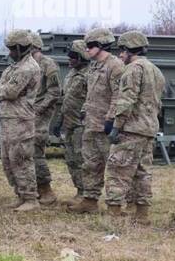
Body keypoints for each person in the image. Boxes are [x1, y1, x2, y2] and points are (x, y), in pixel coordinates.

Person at [105, 31, 165, 224]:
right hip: (148, 130)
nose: (120, 55)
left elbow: (126, 101)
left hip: (131, 129)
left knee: (117, 170)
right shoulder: (156, 71)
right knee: (143, 173)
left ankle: (113, 214)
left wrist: (116, 126)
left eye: (122, 51)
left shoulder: (132, 70)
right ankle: (141, 215)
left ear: (130, 50)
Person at [66, 28, 125, 214]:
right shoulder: (94, 66)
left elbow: (119, 96)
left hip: (106, 126)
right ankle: (89, 200)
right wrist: (84, 111)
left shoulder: (115, 66)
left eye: (90, 46)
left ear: (101, 46)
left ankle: (118, 204)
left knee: (115, 167)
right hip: (91, 123)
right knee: (90, 165)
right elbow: (90, 94)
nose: (87, 50)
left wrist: (111, 119)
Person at [0, 29, 42, 211]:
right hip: (9, 119)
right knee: (7, 160)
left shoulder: (28, 68)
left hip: (20, 121)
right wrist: (2, 91)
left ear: (21, 48)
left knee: (20, 159)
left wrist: (2, 91)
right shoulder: (14, 67)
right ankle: (21, 195)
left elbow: (9, 92)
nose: (10, 52)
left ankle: (31, 198)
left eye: (13, 48)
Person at [30, 33, 63, 205]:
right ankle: (32, 190)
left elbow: (55, 91)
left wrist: (39, 108)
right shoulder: (26, 65)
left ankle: (46, 190)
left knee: (35, 150)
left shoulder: (48, 65)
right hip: (27, 114)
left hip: (40, 115)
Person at [56, 39, 89, 197]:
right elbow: (66, 99)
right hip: (69, 124)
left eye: (73, 56)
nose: (69, 59)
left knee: (81, 159)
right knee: (71, 159)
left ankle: (86, 192)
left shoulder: (90, 75)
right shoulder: (70, 75)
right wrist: (59, 121)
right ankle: (79, 190)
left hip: (82, 125)